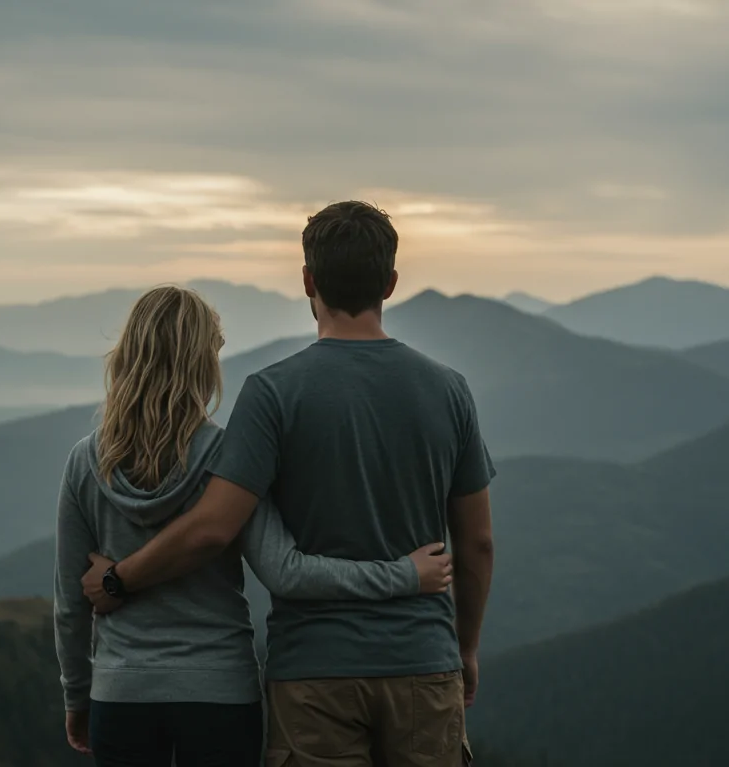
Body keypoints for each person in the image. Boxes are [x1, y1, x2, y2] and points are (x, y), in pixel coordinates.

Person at [83, 201, 496, 767]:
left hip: (312, 674)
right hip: (423, 661)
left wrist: (117, 579)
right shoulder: (449, 390)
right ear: (391, 284)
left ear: (307, 281)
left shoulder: (272, 392)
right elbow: (477, 542)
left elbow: (212, 528)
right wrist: (466, 646)